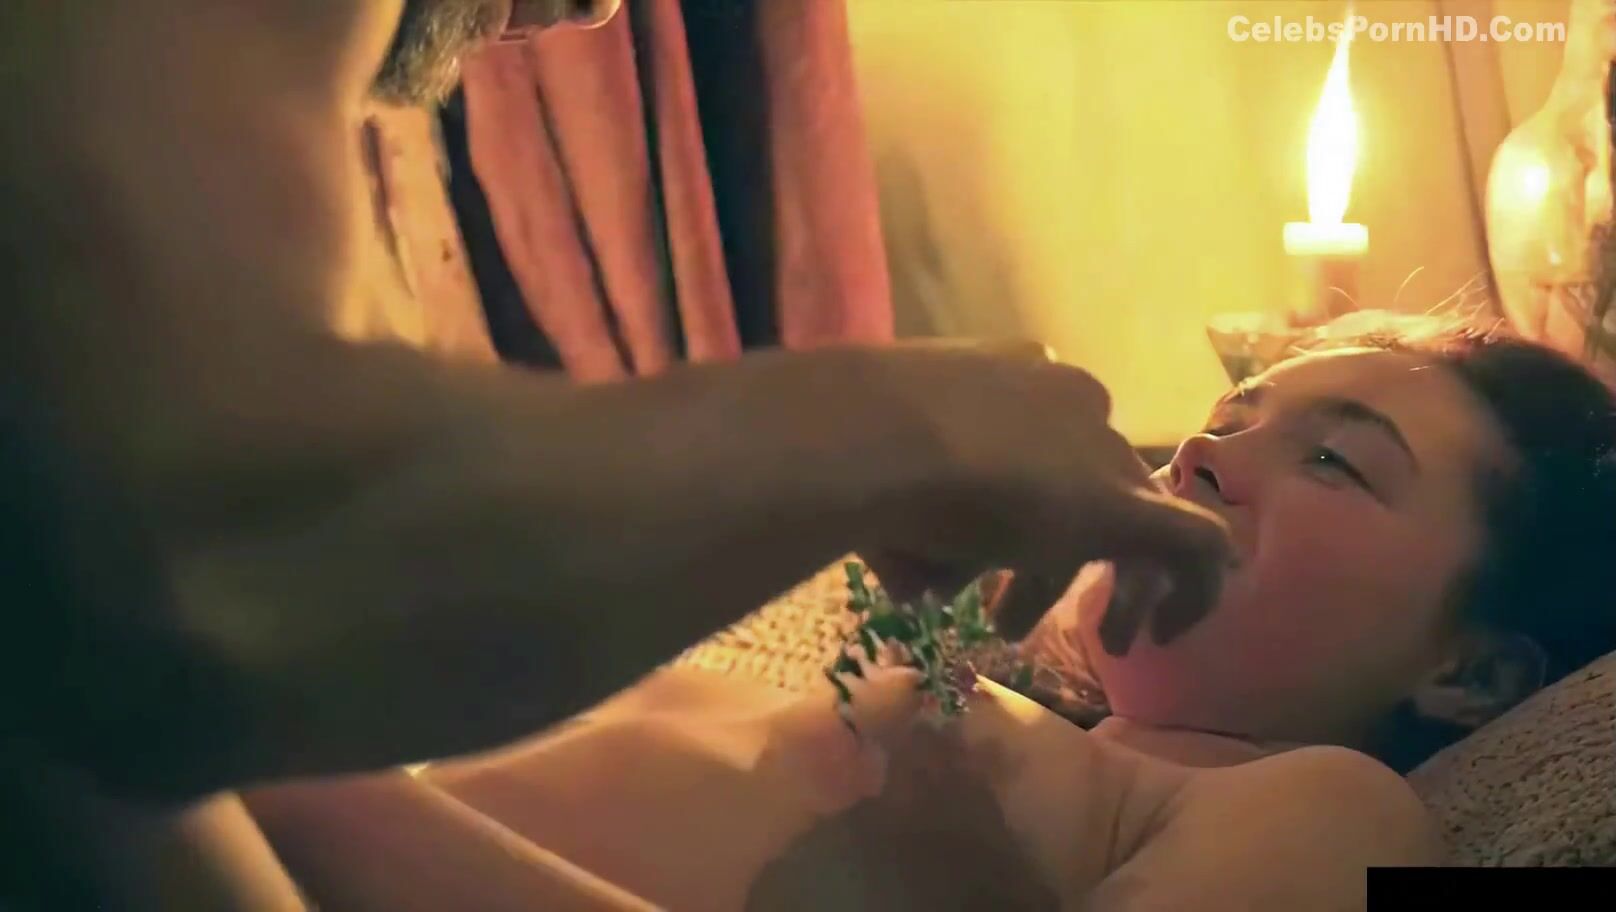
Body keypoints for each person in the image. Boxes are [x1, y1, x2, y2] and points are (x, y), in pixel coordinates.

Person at [0, 1, 1227, 908]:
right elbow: (162, 574)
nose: (596, 19)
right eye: (1233, 417)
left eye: (1326, 453)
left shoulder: (1292, 800)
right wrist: (900, 426)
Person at [272, 319, 1610, 910]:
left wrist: (313, 815)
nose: (1203, 451)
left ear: (1473, 672)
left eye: (1332, 459)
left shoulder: (1320, 806)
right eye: (1231, 414)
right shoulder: (1029, 727)